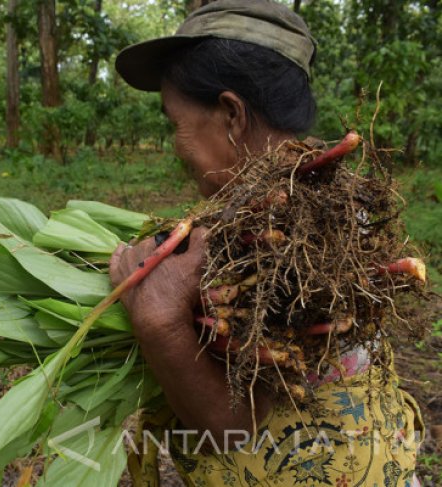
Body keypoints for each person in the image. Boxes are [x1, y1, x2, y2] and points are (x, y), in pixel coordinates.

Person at [108, 1, 424, 485]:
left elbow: (234, 426)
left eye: (175, 124)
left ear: (232, 114)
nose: (176, 146)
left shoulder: (285, 227)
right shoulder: (326, 190)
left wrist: (158, 319)